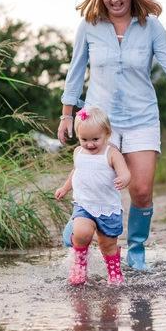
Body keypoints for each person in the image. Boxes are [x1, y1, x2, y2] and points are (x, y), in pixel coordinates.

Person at [57, 0, 166, 271]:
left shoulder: (149, 26)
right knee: (91, 182)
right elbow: (75, 72)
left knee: (140, 191)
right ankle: (81, 230)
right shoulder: (89, 26)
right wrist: (67, 115)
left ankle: (136, 252)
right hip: (98, 120)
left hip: (141, 118)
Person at [55, 106, 131, 286]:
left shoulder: (111, 154)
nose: (89, 144)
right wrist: (65, 188)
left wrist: (123, 180)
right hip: (84, 205)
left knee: (107, 245)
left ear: (107, 134)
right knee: (81, 232)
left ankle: (113, 272)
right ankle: (79, 266)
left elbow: (126, 173)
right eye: (84, 139)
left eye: (95, 139)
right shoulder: (78, 153)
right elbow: (76, 172)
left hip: (107, 208)